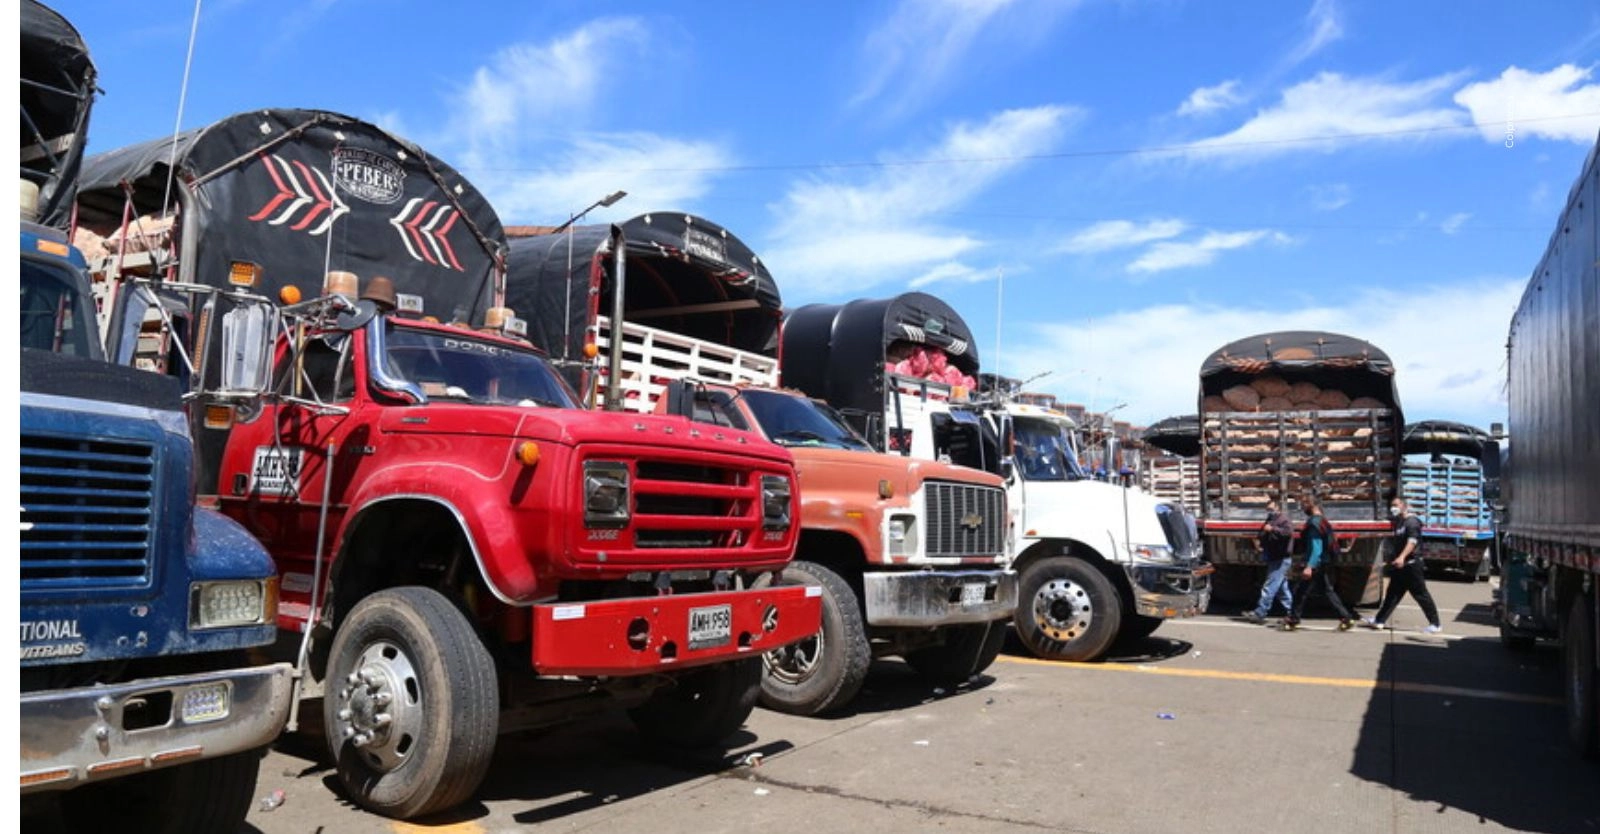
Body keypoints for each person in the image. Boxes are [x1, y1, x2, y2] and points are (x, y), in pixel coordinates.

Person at [1365, 496, 1443, 633]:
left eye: (1396, 505)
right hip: (1401, 566)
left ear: (1404, 506)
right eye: (1392, 505)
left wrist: (1401, 557)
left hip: (1411, 565)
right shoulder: (1399, 521)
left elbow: (1412, 542)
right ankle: (1379, 620)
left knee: (1420, 594)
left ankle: (1435, 624)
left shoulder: (1412, 522)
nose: (1393, 508)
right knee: (1392, 594)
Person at [1282, 494, 1356, 631]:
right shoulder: (1323, 521)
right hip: (1324, 562)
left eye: (1304, 504)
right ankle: (1346, 618)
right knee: (1327, 591)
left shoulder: (1314, 524)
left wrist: (1309, 566)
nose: (1302, 507)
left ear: (1312, 505)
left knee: (1300, 592)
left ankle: (1293, 619)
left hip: (1316, 563)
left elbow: (1316, 547)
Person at [1242, 498, 1294, 624]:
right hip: (1274, 557)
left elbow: (1287, 533)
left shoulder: (1284, 520)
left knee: (1269, 586)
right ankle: (1292, 612)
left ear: (1278, 508)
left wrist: (1272, 530)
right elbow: (1263, 533)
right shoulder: (1271, 520)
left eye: (1271, 509)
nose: (1269, 512)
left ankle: (1260, 613)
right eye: (1268, 509)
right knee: (1282, 588)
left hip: (1281, 558)